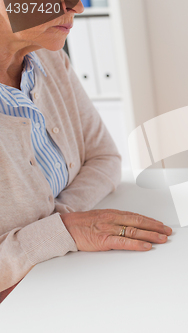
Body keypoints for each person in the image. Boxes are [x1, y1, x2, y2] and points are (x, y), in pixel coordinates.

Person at [0, 0, 173, 301]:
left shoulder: (49, 60)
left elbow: (104, 158)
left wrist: (62, 225)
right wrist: (58, 232)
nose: (77, 8)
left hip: (67, 279)